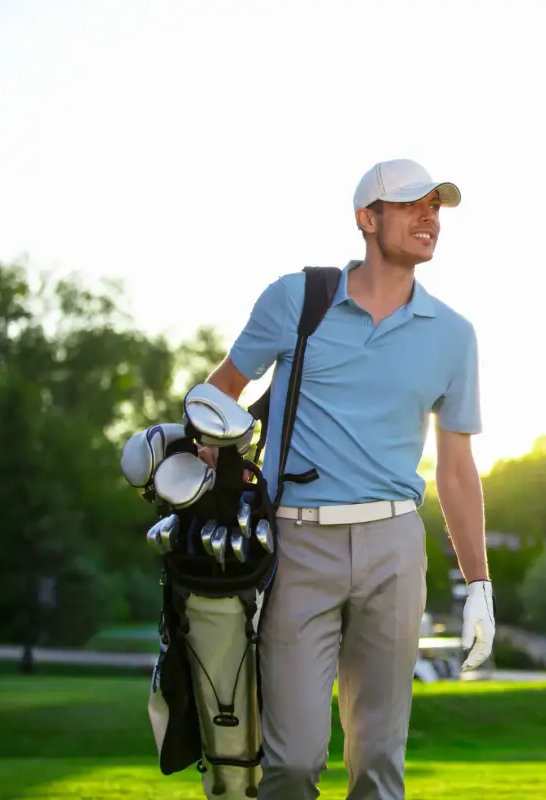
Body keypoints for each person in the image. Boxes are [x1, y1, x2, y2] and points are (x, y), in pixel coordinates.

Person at [196, 158, 495, 800]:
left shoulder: (454, 334)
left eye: (437, 207)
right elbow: (220, 394)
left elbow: (457, 468)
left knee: (380, 764)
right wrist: (210, 496)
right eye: (413, 204)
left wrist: (479, 585)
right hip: (299, 545)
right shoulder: (296, 300)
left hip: (394, 548)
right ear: (367, 218)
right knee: (295, 760)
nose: (429, 217)